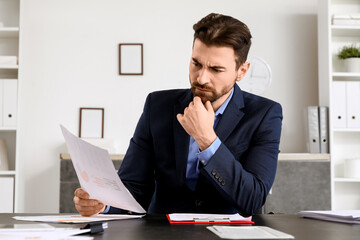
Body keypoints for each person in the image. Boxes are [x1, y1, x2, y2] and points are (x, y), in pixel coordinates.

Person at [73, 13, 282, 217]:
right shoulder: (158, 105)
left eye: (216, 69)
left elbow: (252, 200)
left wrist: (207, 140)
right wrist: (102, 204)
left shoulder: (265, 115)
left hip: (228, 232)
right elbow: (134, 187)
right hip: (161, 233)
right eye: (196, 64)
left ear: (242, 71)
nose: (201, 78)